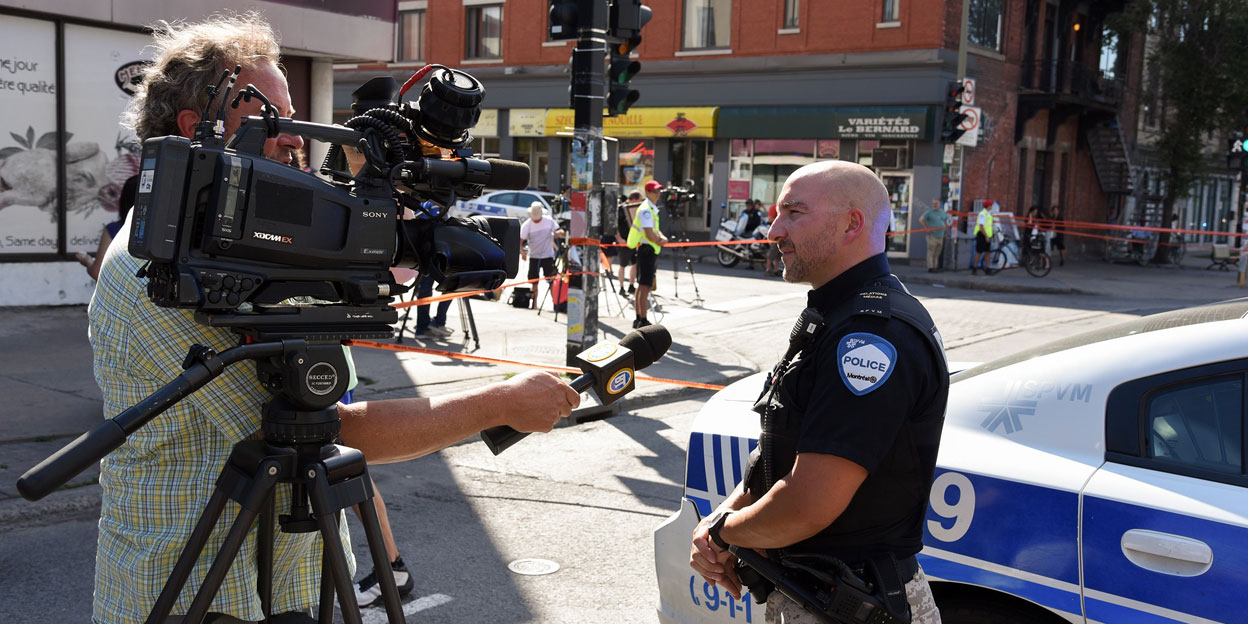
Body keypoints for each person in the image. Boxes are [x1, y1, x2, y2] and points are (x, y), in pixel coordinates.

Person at [91, 14, 580, 624]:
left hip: (296, 584)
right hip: (200, 588)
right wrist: (499, 405)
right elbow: (324, 432)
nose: (296, 138)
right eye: (271, 120)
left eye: (293, 119)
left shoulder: (238, 246)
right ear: (200, 128)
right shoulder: (163, 265)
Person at [688, 160, 946, 624]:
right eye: (777, 213)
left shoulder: (872, 335)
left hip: (849, 602)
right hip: (812, 592)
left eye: (794, 213)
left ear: (852, 223)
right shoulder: (836, 316)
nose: (773, 230)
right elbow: (781, 454)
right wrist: (724, 519)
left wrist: (725, 534)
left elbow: (808, 504)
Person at [629, 180, 669, 328]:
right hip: (647, 250)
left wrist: (661, 236)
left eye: (659, 191)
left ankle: (639, 318)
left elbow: (655, 228)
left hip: (646, 250)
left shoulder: (651, 208)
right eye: (655, 191)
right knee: (645, 286)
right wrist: (660, 240)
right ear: (648, 193)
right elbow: (649, 233)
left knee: (642, 286)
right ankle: (642, 319)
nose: (658, 194)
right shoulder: (646, 209)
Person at [520, 202, 563, 309]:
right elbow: (520, 241)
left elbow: (559, 231)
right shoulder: (527, 225)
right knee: (534, 281)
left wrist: (559, 233)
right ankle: (534, 304)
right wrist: (522, 252)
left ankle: (555, 304)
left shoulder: (549, 222)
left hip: (548, 255)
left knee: (551, 280)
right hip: (534, 256)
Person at [615, 191, 641, 296]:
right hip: (624, 241)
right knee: (623, 265)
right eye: (639, 199)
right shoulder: (621, 209)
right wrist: (619, 239)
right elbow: (614, 225)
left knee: (634, 264)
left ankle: (631, 285)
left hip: (634, 241)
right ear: (634, 199)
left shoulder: (638, 209)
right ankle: (621, 287)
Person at [919, 198, 949, 272]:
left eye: (936, 203)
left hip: (940, 236)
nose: (935, 205)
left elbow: (945, 222)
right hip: (932, 236)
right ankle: (931, 267)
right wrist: (926, 229)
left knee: (937, 253)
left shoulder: (943, 212)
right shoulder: (929, 212)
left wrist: (946, 232)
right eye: (934, 203)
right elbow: (921, 219)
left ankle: (935, 267)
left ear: (940, 204)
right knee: (931, 252)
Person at [971, 199, 994, 275]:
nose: (992, 206)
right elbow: (981, 226)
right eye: (991, 205)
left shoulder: (989, 214)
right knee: (979, 252)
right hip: (982, 235)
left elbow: (989, 226)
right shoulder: (982, 214)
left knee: (987, 252)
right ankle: (974, 268)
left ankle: (988, 269)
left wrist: (992, 235)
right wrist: (986, 236)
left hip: (988, 235)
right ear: (988, 206)